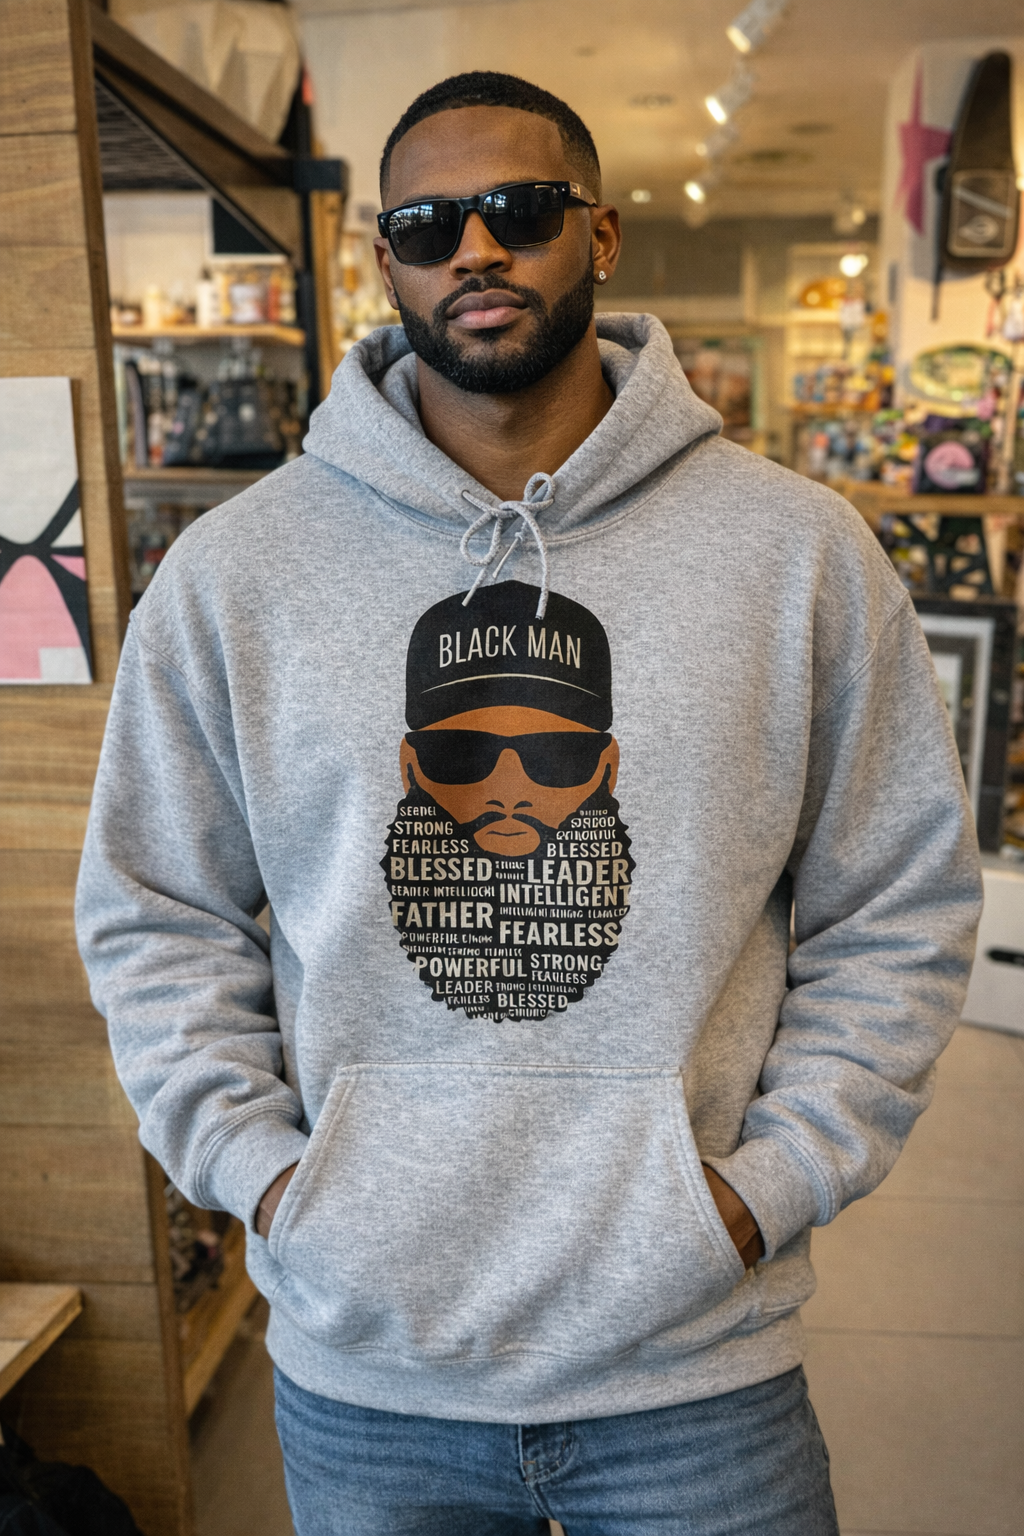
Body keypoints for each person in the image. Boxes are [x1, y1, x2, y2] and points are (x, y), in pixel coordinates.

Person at [77, 71, 982, 1536]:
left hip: (697, 1362)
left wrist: (768, 1184)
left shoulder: (798, 555)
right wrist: (271, 1177)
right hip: (369, 1368)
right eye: (429, 225)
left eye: (520, 209)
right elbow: (153, 910)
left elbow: (900, 901)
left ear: (601, 234)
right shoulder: (237, 576)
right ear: (387, 263)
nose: (477, 250)